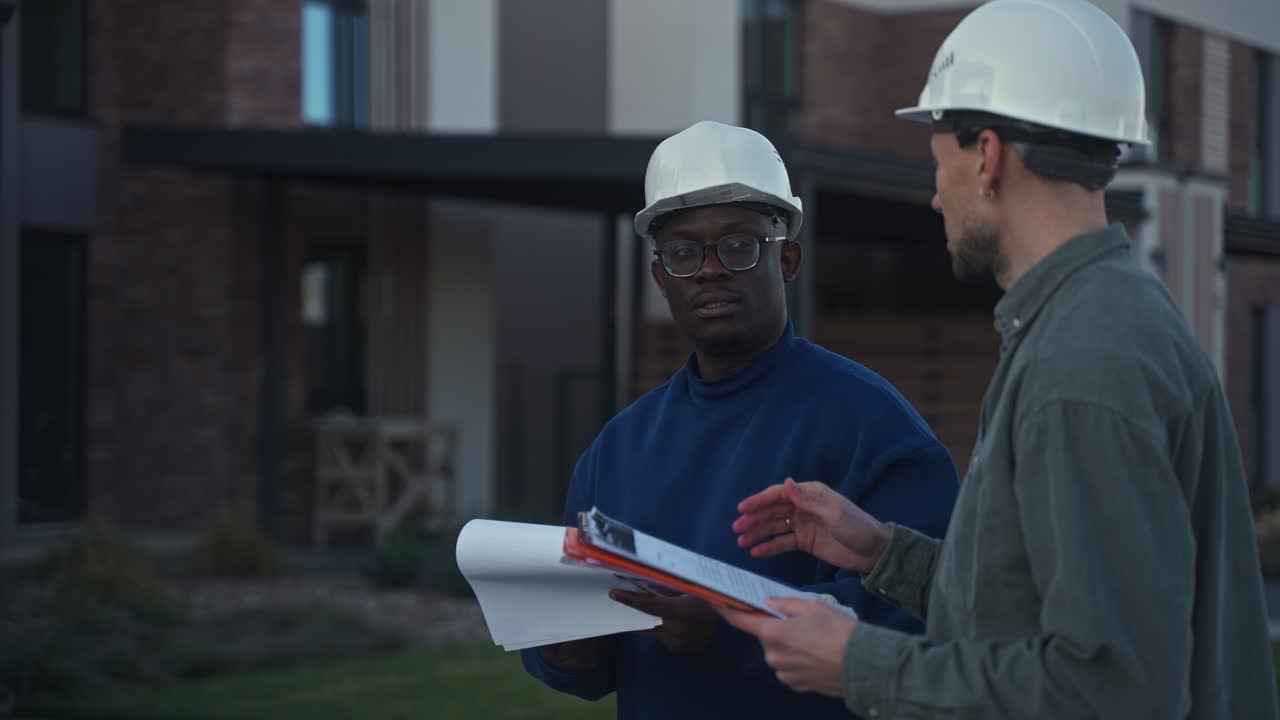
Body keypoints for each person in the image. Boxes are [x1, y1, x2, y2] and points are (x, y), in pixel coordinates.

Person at [718, 1, 1280, 718]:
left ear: (986, 156)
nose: (933, 197)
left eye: (939, 164)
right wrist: (883, 553)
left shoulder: (1084, 363)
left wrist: (861, 663)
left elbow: (1109, 689)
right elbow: (1041, 609)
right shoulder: (1099, 321)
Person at [520, 120, 961, 719]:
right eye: (682, 252)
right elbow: (585, 662)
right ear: (661, 278)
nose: (709, 269)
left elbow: (938, 613)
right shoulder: (617, 450)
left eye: (738, 244)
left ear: (789, 259)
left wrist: (733, 624)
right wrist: (565, 652)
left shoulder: (874, 427)